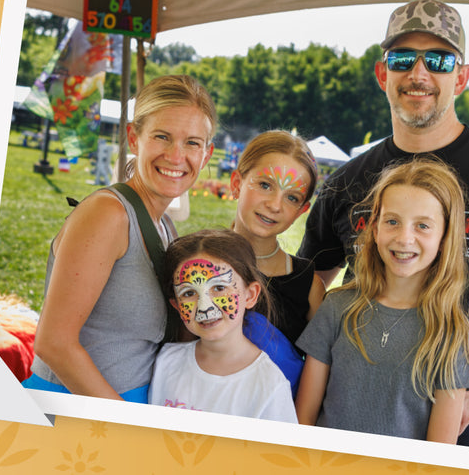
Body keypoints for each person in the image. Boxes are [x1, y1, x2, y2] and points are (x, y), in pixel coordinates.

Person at [298, 0, 469, 450]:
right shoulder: (349, 180)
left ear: (461, 78)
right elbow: (311, 277)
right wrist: (328, 345)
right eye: (403, 59)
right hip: (351, 422)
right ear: (382, 74)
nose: (419, 74)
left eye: (440, 60)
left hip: (465, 425)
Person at [25, 75, 218, 402]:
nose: (175, 155)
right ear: (133, 137)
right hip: (77, 408)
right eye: (162, 137)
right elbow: (54, 343)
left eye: (192, 143)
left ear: (207, 154)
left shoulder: (166, 227)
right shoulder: (108, 215)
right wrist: (124, 424)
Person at [296, 159, 469, 442]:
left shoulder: (450, 332)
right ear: (375, 227)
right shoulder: (336, 308)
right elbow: (303, 421)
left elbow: (440, 457)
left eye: (422, 226)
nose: (405, 238)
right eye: (392, 221)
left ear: (445, 236)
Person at [149, 229, 299, 422]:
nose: (204, 307)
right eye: (188, 293)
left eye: (219, 288)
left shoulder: (269, 385)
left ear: (250, 295)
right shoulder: (166, 362)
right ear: (176, 306)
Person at [228, 130, 321, 347]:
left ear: (301, 211)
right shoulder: (197, 259)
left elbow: (318, 366)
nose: (275, 205)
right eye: (265, 185)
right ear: (236, 184)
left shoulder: (310, 287)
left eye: (291, 197)